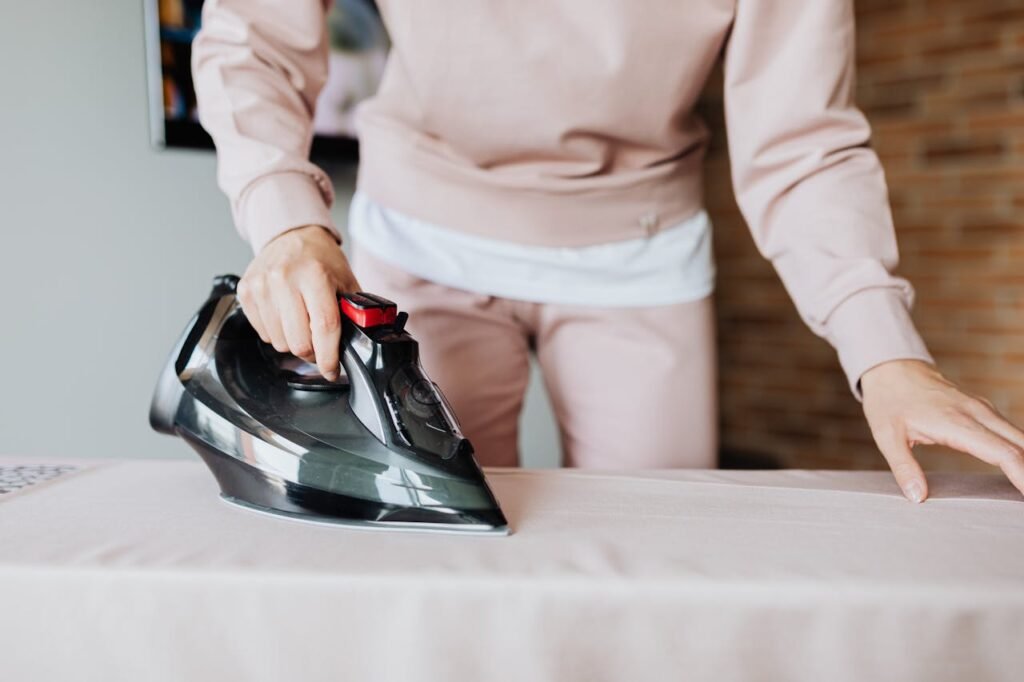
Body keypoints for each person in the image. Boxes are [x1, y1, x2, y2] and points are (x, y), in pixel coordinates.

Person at [192, 0, 1024, 501]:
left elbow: (802, 143)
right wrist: (286, 221)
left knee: (665, 550)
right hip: (423, 230)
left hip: (641, 248)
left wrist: (888, 355)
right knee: (434, 549)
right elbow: (253, 36)